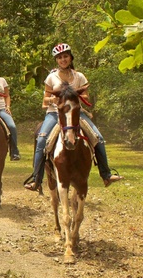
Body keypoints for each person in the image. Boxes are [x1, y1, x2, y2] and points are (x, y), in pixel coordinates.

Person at [23, 43, 122, 194]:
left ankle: (106, 174)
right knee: (42, 139)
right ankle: (37, 179)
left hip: (76, 113)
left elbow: (86, 96)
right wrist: (54, 100)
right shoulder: (51, 78)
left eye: (65, 56)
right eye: (60, 57)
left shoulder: (79, 76)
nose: (63, 59)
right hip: (55, 113)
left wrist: (74, 95)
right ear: (56, 60)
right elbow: (45, 101)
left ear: (70, 57)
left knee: (98, 137)